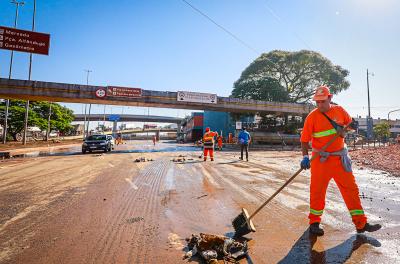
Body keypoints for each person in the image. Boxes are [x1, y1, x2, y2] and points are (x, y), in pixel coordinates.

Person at [300, 85, 381, 236]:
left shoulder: (340, 111)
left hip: (340, 159)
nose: (319, 105)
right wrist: (305, 157)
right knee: (317, 191)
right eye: (317, 102)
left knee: (351, 190)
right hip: (321, 160)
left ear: (330, 98)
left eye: (322, 101)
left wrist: (352, 127)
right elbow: (304, 140)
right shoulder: (312, 116)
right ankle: (314, 223)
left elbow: (348, 127)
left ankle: (361, 224)